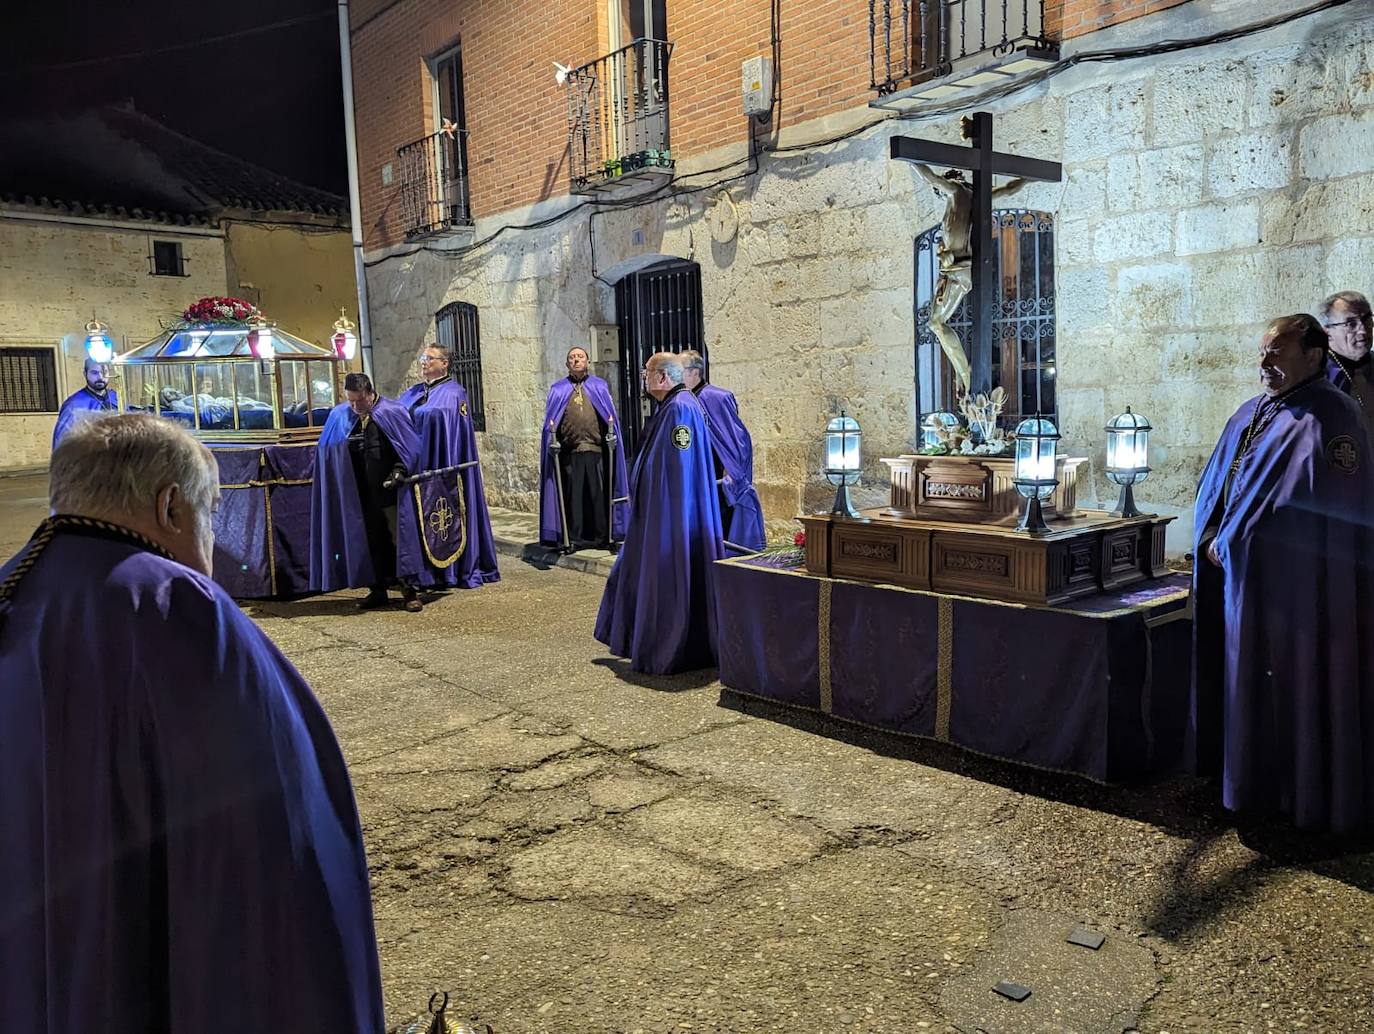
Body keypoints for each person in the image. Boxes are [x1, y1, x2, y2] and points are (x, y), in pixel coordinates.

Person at [0, 414, 384, 1031]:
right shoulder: (175, 608)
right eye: (210, 515)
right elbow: (280, 825)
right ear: (172, 507)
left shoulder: (13, 593)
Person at [1190, 314, 1374, 835]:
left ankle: (1298, 791)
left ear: (1313, 356)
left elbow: (1321, 513)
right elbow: (1225, 482)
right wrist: (1212, 535)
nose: (1264, 364)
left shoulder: (1332, 416)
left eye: (1277, 353)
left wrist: (1238, 542)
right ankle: (1244, 779)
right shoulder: (1253, 411)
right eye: (1262, 353)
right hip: (1242, 581)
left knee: (1297, 685)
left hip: (1298, 592)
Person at [595, 351, 724, 674]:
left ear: (663, 378)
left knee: (661, 583)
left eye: (647, 372)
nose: (644, 377)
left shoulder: (680, 409)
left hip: (669, 518)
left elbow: (678, 471)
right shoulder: (676, 405)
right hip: (658, 515)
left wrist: (662, 516)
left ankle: (666, 648)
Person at [310, 370, 426, 612]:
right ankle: (377, 589)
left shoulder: (390, 412)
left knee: (398, 540)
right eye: (351, 400)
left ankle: (409, 591)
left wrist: (399, 469)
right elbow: (328, 449)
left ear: (371, 393)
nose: (355, 406)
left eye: (360, 401)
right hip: (356, 492)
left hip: (388, 491)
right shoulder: (341, 415)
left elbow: (410, 447)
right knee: (369, 540)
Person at [912, 164, 1025, 396]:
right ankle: (963, 374)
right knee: (936, 322)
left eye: (940, 191)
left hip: (957, 269)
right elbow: (1008, 189)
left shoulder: (955, 192)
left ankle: (965, 374)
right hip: (952, 269)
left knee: (935, 323)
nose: (940, 193)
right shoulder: (979, 197)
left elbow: (931, 177)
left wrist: (911, 160)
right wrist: (1028, 178)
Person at [398, 344, 500, 589]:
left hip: (443, 467)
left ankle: (448, 572)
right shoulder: (413, 392)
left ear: (444, 363)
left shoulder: (455, 394)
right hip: (416, 467)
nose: (424, 362)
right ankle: (419, 572)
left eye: (429, 358)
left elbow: (455, 435)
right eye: (423, 358)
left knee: (442, 520)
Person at [539, 345, 628, 550]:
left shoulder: (600, 386)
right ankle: (574, 539)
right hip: (571, 453)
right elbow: (550, 425)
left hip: (597, 451)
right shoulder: (558, 390)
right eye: (572, 357)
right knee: (574, 498)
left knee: (599, 495)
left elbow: (609, 417)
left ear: (588, 362)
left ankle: (602, 537)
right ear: (567, 364)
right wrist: (553, 443)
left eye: (580, 356)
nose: (576, 360)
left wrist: (612, 436)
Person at [680, 349, 766, 552]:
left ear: (694, 372)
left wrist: (732, 471)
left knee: (721, 526)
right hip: (695, 474)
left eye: (679, 370)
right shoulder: (682, 399)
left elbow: (735, 438)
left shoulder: (717, 397)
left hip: (718, 473)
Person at [1319, 290, 1374, 420]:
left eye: (1367, 320)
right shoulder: (1315, 377)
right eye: (1351, 324)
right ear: (1328, 332)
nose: (1363, 330)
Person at [51, 357, 118, 447]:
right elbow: (61, 442)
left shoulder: (115, 397)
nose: (100, 377)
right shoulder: (74, 405)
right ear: (85, 374)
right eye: (94, 373)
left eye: (104, 372)